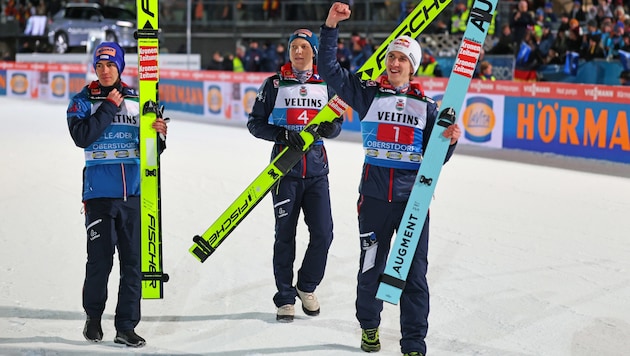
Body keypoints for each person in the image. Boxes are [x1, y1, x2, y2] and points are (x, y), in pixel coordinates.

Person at [319, 3, 462, 355]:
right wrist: (331, 26)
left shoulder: (429, 108)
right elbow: (330, 70)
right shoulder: (368, 95)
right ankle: (370, 327)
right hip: (373, 200)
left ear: (412, 67)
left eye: (402, 59)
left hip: (413, 203)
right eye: (390, 57)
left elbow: (435, 160)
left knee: (414, 275)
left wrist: (451, 142)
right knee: (371, 268)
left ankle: (414, 342)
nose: (394, 63)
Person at [66, 42, 169, 347]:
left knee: (133, 264)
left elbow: (153, 151)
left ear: (120, 67)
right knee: (100, 262)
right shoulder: (82, 101)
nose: (105, 70)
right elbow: (82, 137)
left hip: (135, 194)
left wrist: (160, 135)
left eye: (110, 65)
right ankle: (93, 318)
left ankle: (125, 325)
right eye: (99, 65)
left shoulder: (140, 99)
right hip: (99, 195)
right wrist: (110, 106)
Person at [246, 28, 343, 322]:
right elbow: (255, 124)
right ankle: (285, 297)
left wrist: (331, 129)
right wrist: (282, 135)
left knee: (324, 233)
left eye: (304, 47)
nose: (298, 52)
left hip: (316, 171)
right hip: (284, 171)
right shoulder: (274, 84)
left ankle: (306, 286)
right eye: (293, 47)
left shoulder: (327, 84)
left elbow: (337, 124)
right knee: (285, 235)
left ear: (314, 51)